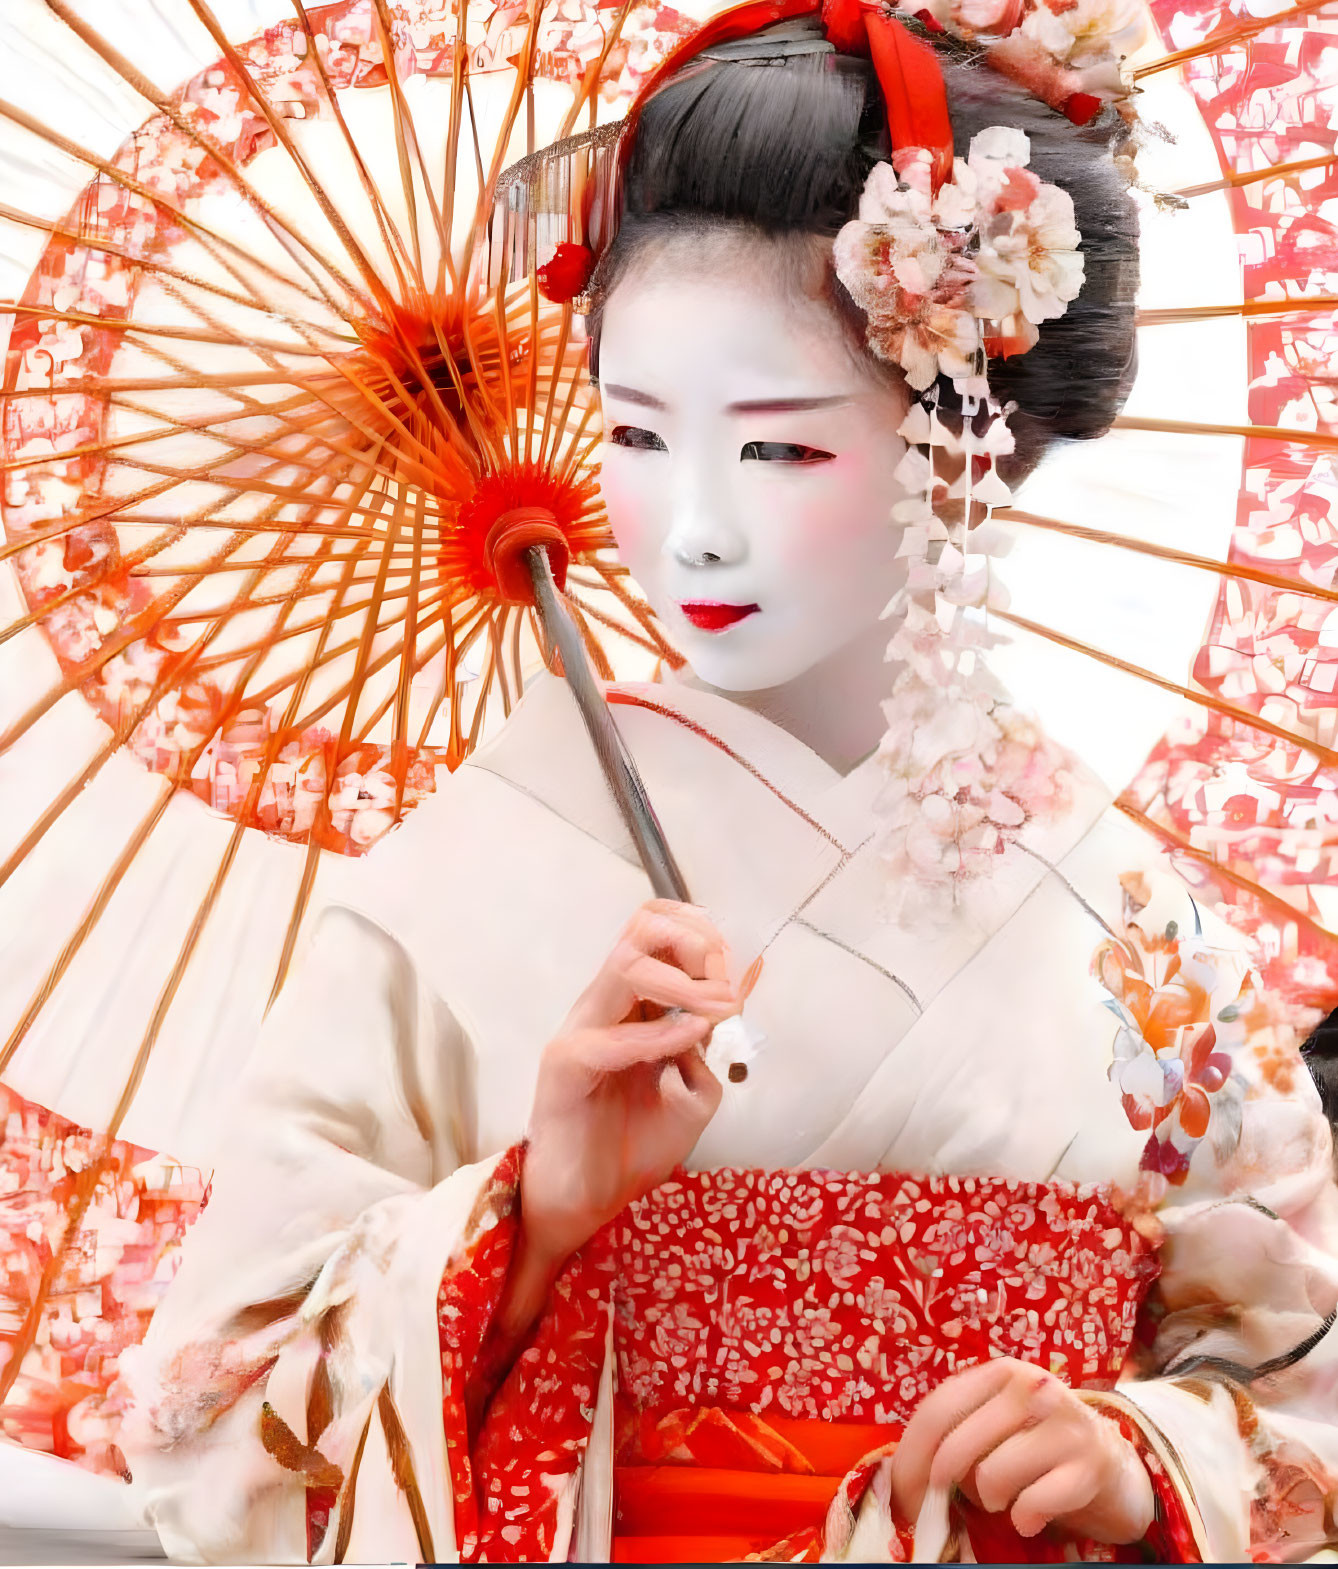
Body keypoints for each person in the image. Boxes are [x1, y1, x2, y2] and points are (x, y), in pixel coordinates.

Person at [121, 1, 1338, 1561]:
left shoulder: (1125, 915)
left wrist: (1129, 1456)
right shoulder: (462, 876)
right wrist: (536, 1212)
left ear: (967, 437)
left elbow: (1300, 1389)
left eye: (776, 449)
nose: (686, 527)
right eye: (635, 432)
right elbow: (212, 1413)